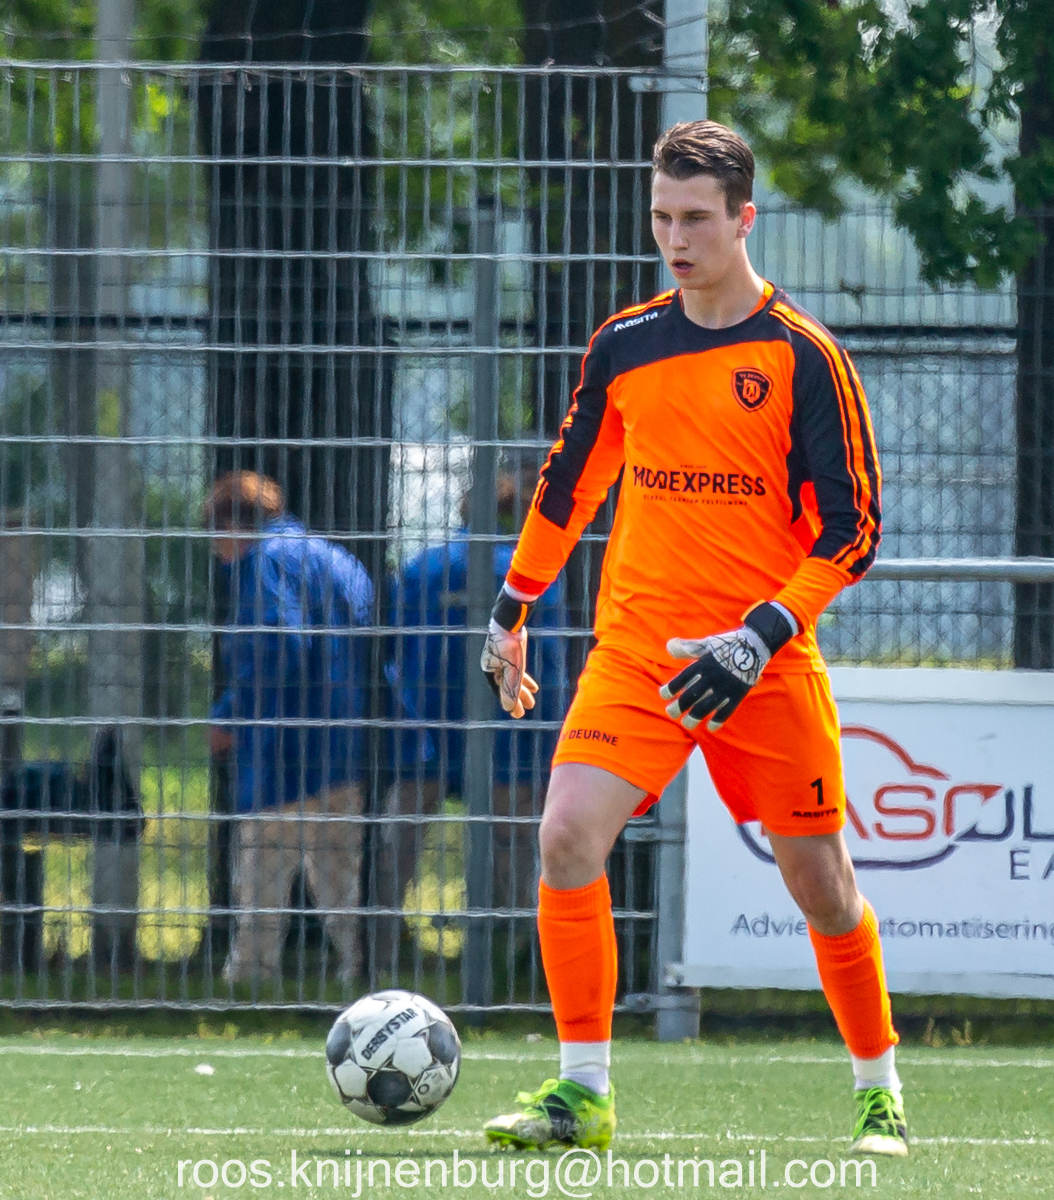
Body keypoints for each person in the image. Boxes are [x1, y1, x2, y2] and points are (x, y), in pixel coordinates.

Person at [480, 121, 904, 1158]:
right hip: (638, 651)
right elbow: (569, 485)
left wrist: (758, 636)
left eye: (697, 219)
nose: (675, 239)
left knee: (821, 887)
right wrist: (511, 609)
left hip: (764, 658)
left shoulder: (805, 356)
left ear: (744, 219)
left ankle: (879, 1089)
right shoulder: (625, 344)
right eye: (661, 218)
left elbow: (852, 533)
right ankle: (583, 1095)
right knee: (565, 837)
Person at [381, 470, 568, 953]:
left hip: (425, 724)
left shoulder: (422, 567)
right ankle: (511, 943)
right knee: (510, 842)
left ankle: (382, 935)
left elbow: (393, 649)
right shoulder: (534, 575)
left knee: (402, 836)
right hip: (509, 729)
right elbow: (547, 661)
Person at [206, 471, 373, 987]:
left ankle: (250, 977)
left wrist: (230, 714)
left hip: (281, 748)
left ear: (230, 524)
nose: (217, 554)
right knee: (340, 873)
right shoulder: (338, 560)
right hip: (344, 741)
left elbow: (274, 645)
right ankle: (365, 971)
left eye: (215, 538)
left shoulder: (265, 561)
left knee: (261, 869)